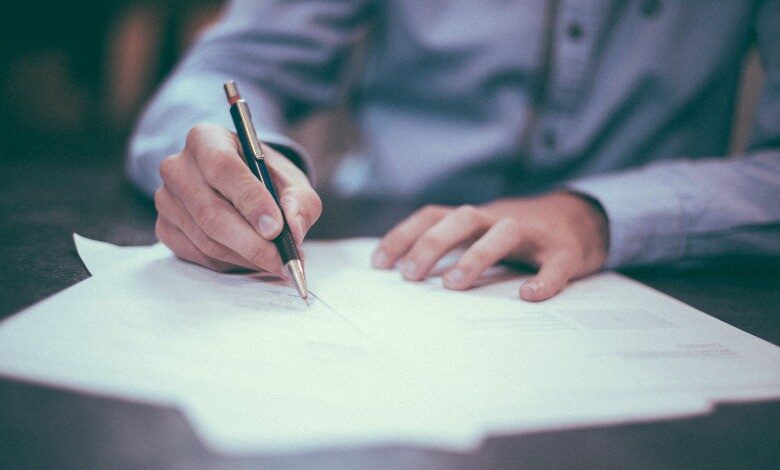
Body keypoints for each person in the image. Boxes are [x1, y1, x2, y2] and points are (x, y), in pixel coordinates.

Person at [127, 1, 779, 302]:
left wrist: (598, 214)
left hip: (665, 278)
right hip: (388, 254)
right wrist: (239, 164)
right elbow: (231, 68)